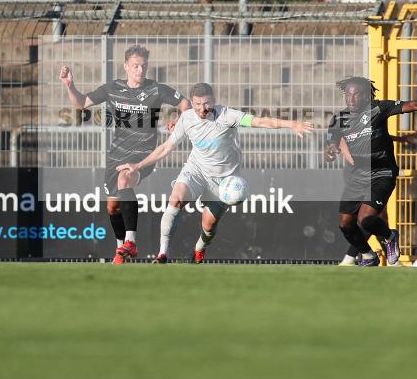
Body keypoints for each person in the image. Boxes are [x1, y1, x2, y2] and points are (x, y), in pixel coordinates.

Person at [116, 82, 313, 263]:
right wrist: (138, 165)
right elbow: (166, 147)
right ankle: (163, 254)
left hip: (224, 179)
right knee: (175, 199)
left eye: (207, 103)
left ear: (214, 101)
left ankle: (199, 249)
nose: (203, 109)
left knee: (208, 226)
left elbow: (262, 122)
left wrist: (292, 124)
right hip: (196, 171)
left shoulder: (228, 116)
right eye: (198, 104)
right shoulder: (187, 118)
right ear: (192, 104)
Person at [60, 45, 190, 263]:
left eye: (144, 66)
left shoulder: (156, 89)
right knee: (113, 207)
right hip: (116, 154)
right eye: (136, 66)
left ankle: (131, 242)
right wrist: (70, 85)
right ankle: (121, 249)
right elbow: (82, 102)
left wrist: (177, 121)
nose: (140, 70)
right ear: (126, 67)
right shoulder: (113, 88)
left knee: (125, 179)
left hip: (143, 154)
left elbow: (185, 104)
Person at [326, 76, 417, 267]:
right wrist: (330, 151)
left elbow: (412, 105)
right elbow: (333, 142)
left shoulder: (378, 109)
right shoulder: (340, 119)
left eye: (356, 94)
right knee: (345, 223)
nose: (351, 99)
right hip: (358, 176)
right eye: (348, 94)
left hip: (382, 173)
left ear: (367, 95)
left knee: (367, 219)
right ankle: (367, 255)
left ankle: (389, 236)